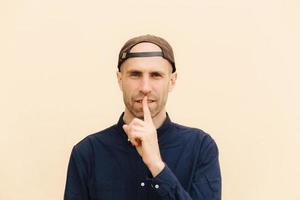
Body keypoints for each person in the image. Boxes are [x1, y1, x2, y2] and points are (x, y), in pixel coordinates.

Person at [64, 34, 221, 200]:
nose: (145, 87)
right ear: (120, 79)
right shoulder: (88, 152)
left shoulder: (200, 147)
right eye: (135, 74)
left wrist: (157, 165)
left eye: (155, 75)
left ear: (172, 81)